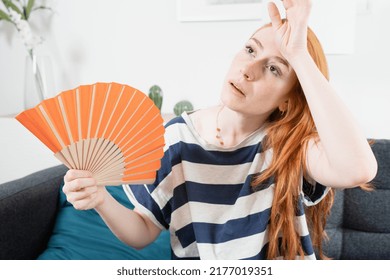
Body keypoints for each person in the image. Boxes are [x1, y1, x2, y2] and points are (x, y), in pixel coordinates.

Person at [62, 0, 377, 260]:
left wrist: (298, 54)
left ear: (286, 102)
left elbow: (358, 169)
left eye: (274, 68)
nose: (248, 70)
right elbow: (144, 229)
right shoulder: (175, 140)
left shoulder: (288, 145)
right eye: (251, 50)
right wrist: (100, 198)